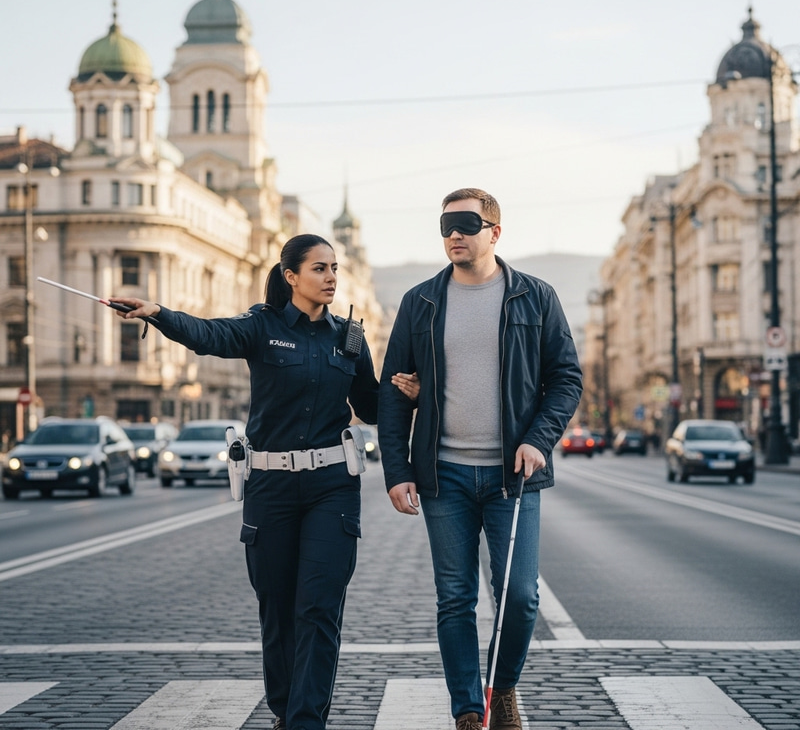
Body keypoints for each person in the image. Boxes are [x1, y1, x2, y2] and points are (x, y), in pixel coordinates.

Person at [112, 234, 418, 730]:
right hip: (270, 486)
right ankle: (284, 709)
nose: (332, 277)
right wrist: (158, 313)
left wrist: (408, 394)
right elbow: (209, 335)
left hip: (332, 485)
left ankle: (304, 721)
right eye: (320, 269)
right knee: (277, 608)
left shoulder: (351, 338)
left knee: (318, 607)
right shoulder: (262, 325)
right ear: (291, 276)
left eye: (335, 268)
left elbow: (368, 406)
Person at [378, 189, 582, 730]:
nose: (454, 234)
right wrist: (397, 470)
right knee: (456, 599)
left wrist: (538, 439)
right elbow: (393, 392)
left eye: (466, 224)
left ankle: (504, 686)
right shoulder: (419, 302)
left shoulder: (535, 298)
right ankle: (468, 710)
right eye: (446, 225)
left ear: (494, 231)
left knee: (519, 597)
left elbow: (566, 378)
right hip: (443, 475)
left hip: (513, 475)